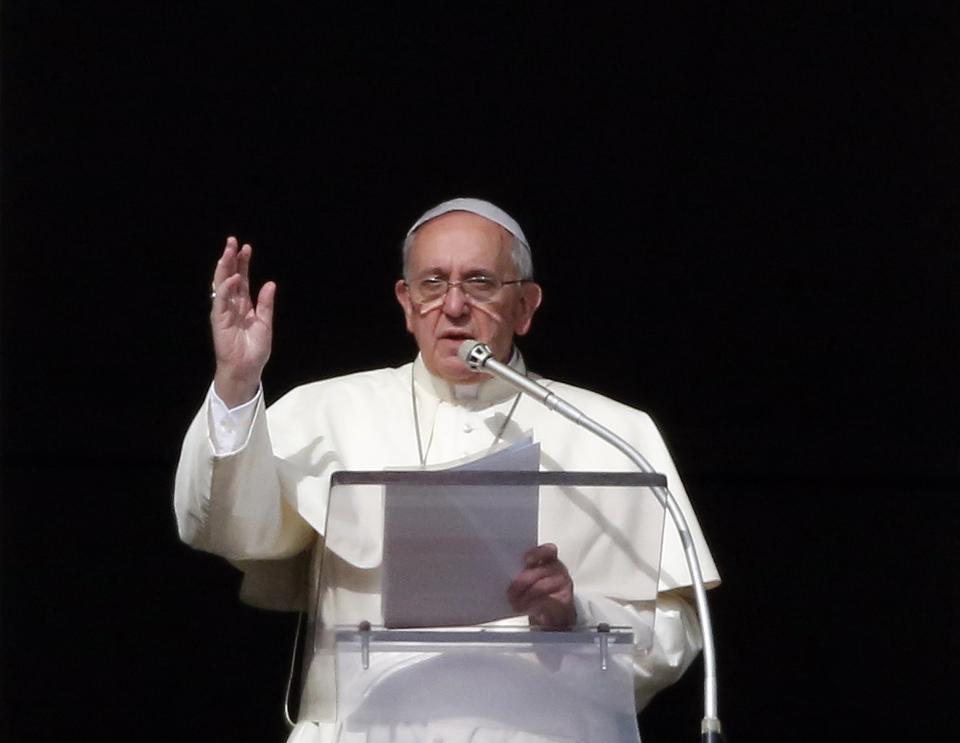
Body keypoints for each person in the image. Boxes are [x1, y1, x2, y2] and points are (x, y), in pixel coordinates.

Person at [174, 198, 720, 743]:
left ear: (526, 306)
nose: (454, 306)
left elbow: (674, 633)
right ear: (406, 303)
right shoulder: (326, 412)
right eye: (433, 284)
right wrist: (237, 385)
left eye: (480, 282)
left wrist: (576, 614)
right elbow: (225, 527)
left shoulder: (613, 432)